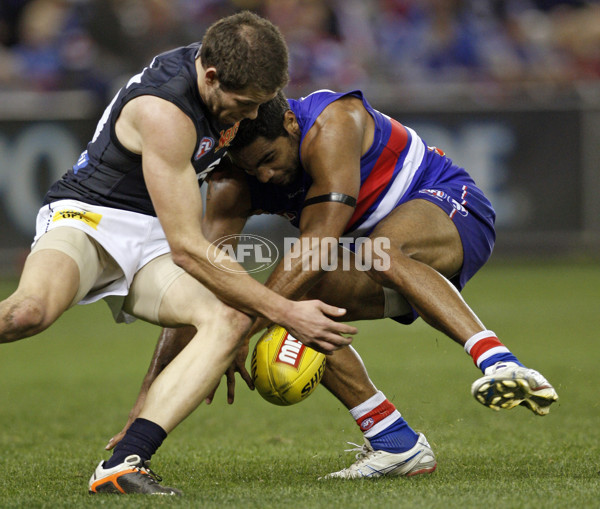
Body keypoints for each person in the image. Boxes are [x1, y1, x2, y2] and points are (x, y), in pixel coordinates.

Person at [107, 88, 559, 480]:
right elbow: (205, 275)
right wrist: (151, 390)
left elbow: (320, 241)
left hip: (451, 209)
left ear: (289, 123)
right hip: (378, 257)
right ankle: (394, 441)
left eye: (268, 159)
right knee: (301, 297)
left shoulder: (333, 122)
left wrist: (239, 331)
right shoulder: (232, 177)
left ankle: (501, 364)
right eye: (253, 168)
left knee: (362, 254)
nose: (264, 176)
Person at [0, 13, 358, 496]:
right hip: (89, 219)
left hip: (156, 237)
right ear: (210, 77)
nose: (252, 117)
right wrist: (285, 311)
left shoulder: (229, 66)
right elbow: (191, 250)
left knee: (228, 321)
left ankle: (123, 464)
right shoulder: (165, 111)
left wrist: (161, 379)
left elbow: (188, 243)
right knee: (28, 313)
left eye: (261, 104)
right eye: (245, 105)